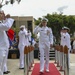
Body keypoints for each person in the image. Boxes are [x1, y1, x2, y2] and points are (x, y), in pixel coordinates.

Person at [0, 10, 14, 75]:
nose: (3, 15)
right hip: (1, 48)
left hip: (4, 47)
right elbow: (7, 27)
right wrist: (9, 19)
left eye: (3, 13)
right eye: (1, 13)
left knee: (2, 67)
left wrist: (6, 19)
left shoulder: (1, 23)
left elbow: (4, 24)